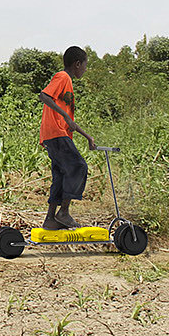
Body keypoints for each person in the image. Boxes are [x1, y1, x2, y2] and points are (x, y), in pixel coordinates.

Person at [38, 46, 96, 231]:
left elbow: (68, 120)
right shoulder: (63, 77)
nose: (86, 70)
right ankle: (63, 212)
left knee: (61, 175)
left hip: (54, 134)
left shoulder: (67, 83)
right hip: (56, 134)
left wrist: (87, 136)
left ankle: (50, 219)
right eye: (85, 65)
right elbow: (44, 96)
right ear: (77, 64)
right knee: (78, 167)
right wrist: (65, 116)